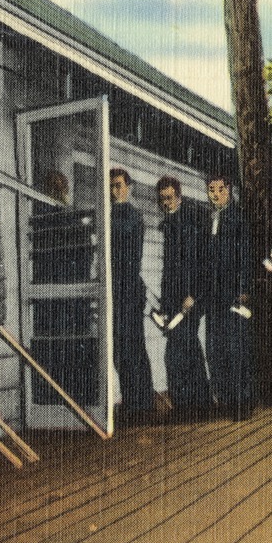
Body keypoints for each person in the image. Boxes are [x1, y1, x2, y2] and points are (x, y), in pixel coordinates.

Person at [201, 174, 256, 420]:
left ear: (229, 189)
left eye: (219, 189)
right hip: (213, 296)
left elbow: (245, 256)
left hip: (233, 294)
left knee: (237, 348)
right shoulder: (212, 217)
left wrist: (243, 289)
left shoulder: (238, 217)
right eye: (211, 190)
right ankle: (224, 399)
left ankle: (242, 402)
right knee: (216, 348)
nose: (215, 194)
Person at [156, 176, 212, 415]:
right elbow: (169, 269)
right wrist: (164, 303)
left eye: (169, 198)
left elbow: (199, 263)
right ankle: (191, 404)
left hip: (190, 299)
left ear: (179, 196)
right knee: (183, 348)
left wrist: (194, 295)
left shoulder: (189, 223)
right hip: (173, 300)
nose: (166, 203)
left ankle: (196, 404)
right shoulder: (168, 224)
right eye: (162, 199)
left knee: (180, 349)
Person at [109, 168, 156, 418]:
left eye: (118, 185)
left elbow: (128, 258)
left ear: (129, 187)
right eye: (111, 186)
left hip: (128, 289)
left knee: (133, 347)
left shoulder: (132, 216)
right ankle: (132, 400)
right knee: (119, 348)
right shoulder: (110, 214)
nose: (115, 191)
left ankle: (143, 403)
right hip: (114, 290)